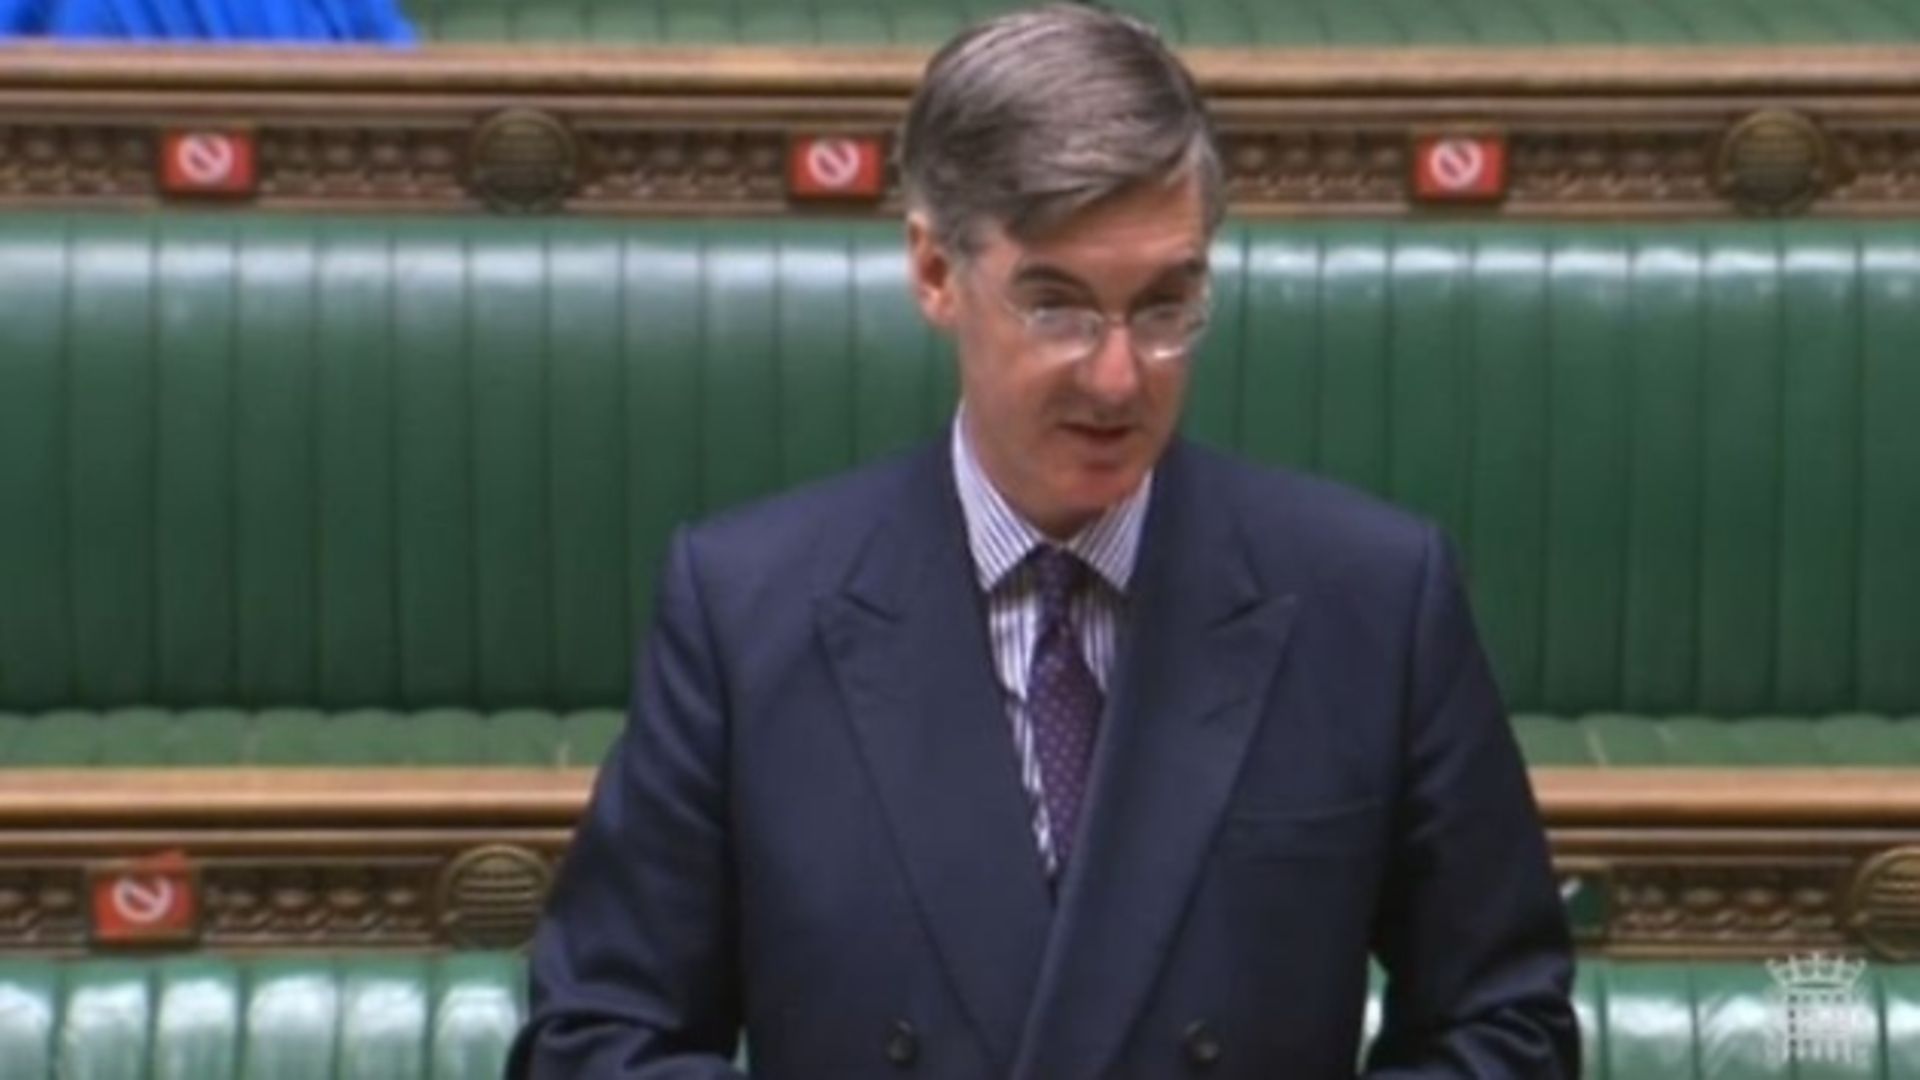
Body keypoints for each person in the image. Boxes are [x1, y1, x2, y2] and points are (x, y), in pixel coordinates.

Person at [511, 5, 1577, 1077]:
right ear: (935, 271)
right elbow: (597, 1037)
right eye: (1058, 306)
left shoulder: (1377, 599)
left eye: (1167, 306)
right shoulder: (744, 610)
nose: (1119, 377)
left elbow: (1505, 1023)